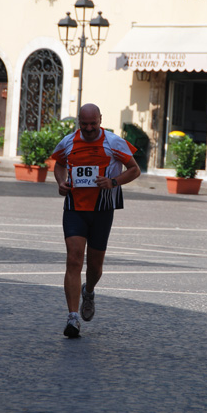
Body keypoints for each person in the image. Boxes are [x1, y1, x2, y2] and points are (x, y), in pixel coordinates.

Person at [52, 103, 141, 338]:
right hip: (74, 208)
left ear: (100, 120)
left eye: (93, 124)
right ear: (78, 122)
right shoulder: (68, 142)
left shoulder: (114, 142)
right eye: (85, 124)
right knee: (73, 259)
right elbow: (59, 164)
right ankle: (73, 318)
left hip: (103, 209)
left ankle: (89, 290)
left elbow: (134, 170)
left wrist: (113, 182)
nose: (89, 129)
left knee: (95, 266)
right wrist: (61, 183)